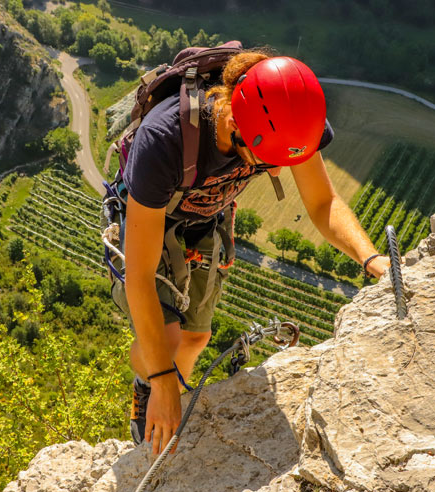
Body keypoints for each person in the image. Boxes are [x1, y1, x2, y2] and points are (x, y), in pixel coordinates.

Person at [110, 49, 391, 456]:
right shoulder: (165, 139)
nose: (276, 171)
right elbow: (139, 275)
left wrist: (371, 259)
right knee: (167, 343)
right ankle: (152, 384)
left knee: (196, 337)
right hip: (153, 219)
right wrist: (160, 377)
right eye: (267, 160)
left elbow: (322, 203)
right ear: (235, 122)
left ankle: (175, 394)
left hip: (208, 217)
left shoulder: (289, 118)